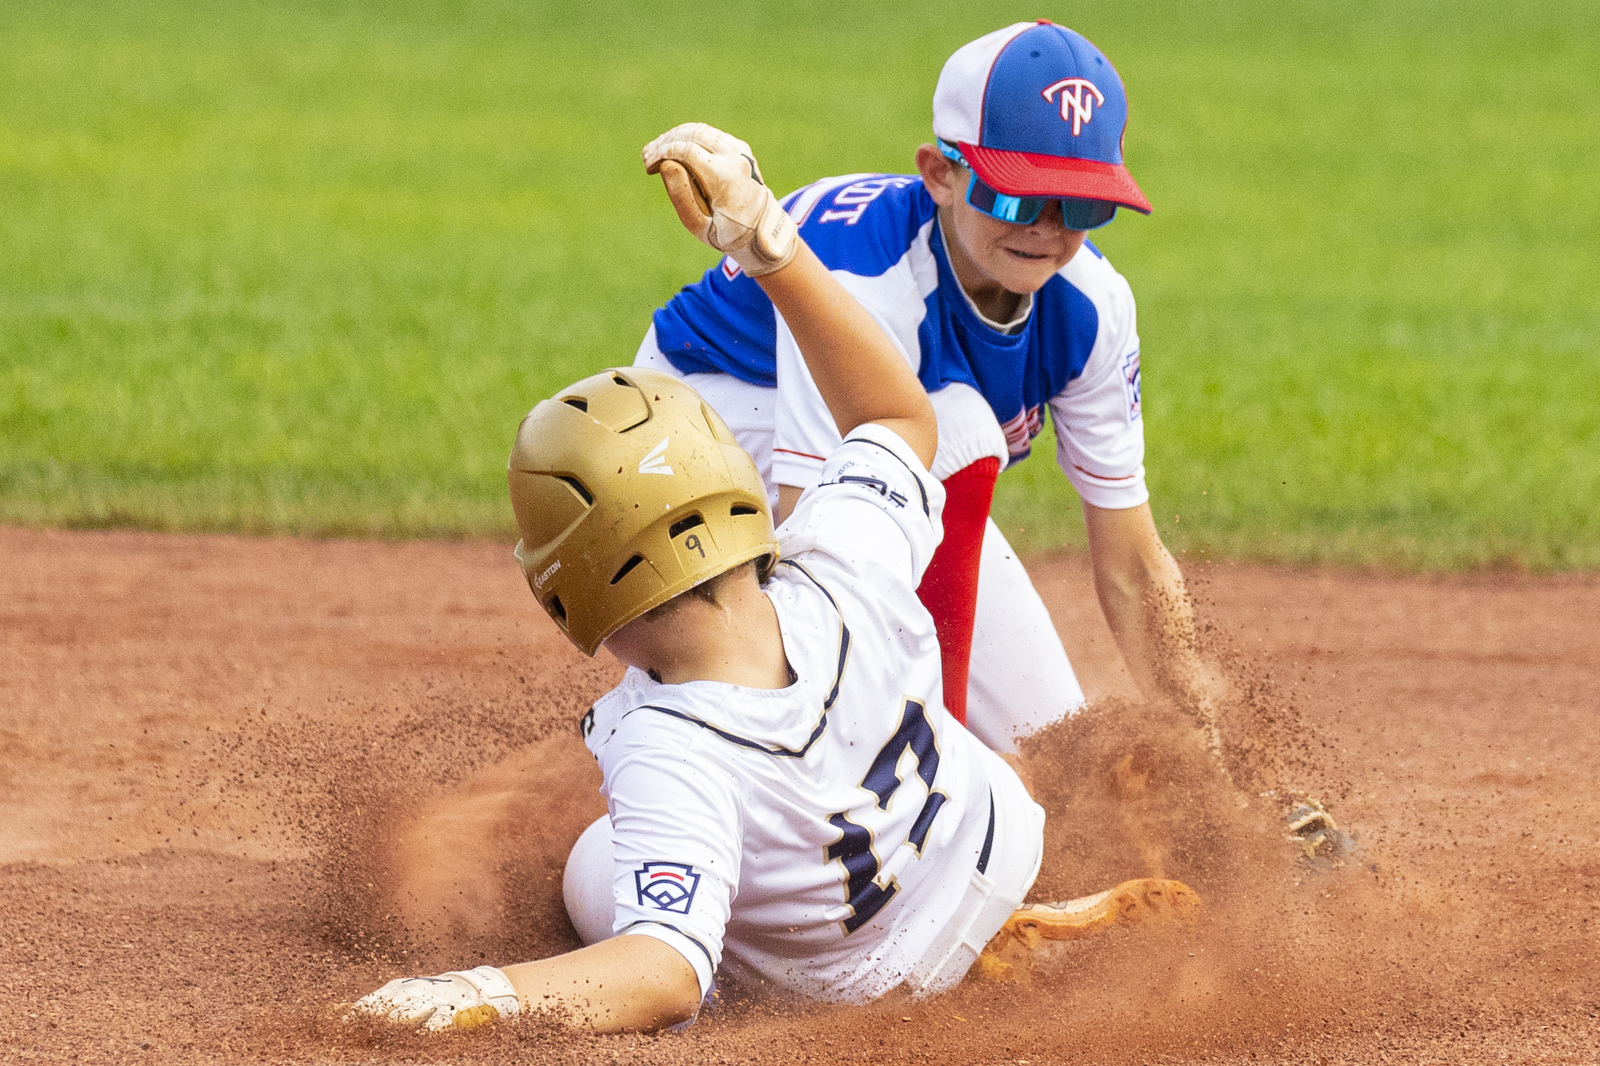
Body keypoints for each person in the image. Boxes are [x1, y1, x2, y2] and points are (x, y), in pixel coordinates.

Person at [349, 124, 1197, 1033]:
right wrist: (767, 240)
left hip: (881, 980)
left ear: (573, 599)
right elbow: (900, 416)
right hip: (992, 839)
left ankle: (942, 967)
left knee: (598, 864)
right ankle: (1026, 871)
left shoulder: (667, 748)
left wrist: (473, 995)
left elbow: (662, 971)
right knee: (950, 714)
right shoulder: (845, 561)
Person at [634, 22, 1222, 754]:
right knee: (953, 426)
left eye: (1080, 205)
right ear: (940, 174)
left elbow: (1133, 568)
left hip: (889, 473)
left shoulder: (1092, 307)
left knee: (1050, 748)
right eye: (1017, 198)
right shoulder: (866, 277)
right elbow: (820, 547)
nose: (1047, 228)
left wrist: (1224, 758)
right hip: (688, 451)